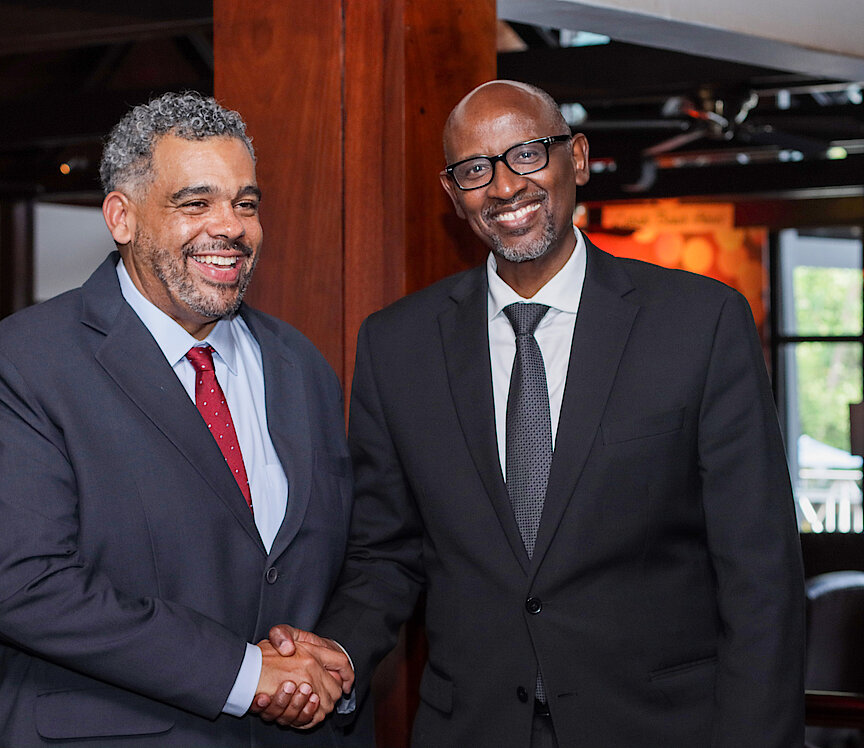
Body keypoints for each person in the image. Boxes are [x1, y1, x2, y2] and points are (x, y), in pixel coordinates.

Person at [265, 80, 805, 746]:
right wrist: (337, 652)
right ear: (453, 193)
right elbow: (386, 553)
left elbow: (761, 575)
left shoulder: (699, 323)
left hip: (658, 728)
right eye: (474, 169)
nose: (503, 186)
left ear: (576, 159)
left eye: (526, 154)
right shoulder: (397, 345)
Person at [0, 91, 358, 747]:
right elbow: (23, 584)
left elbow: (342, 553)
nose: (230, 227)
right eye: (195, 203)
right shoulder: (22, 365)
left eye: (245, 203)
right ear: (122, 217)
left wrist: (328, 658)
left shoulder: (300, 363)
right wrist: (245, 672)